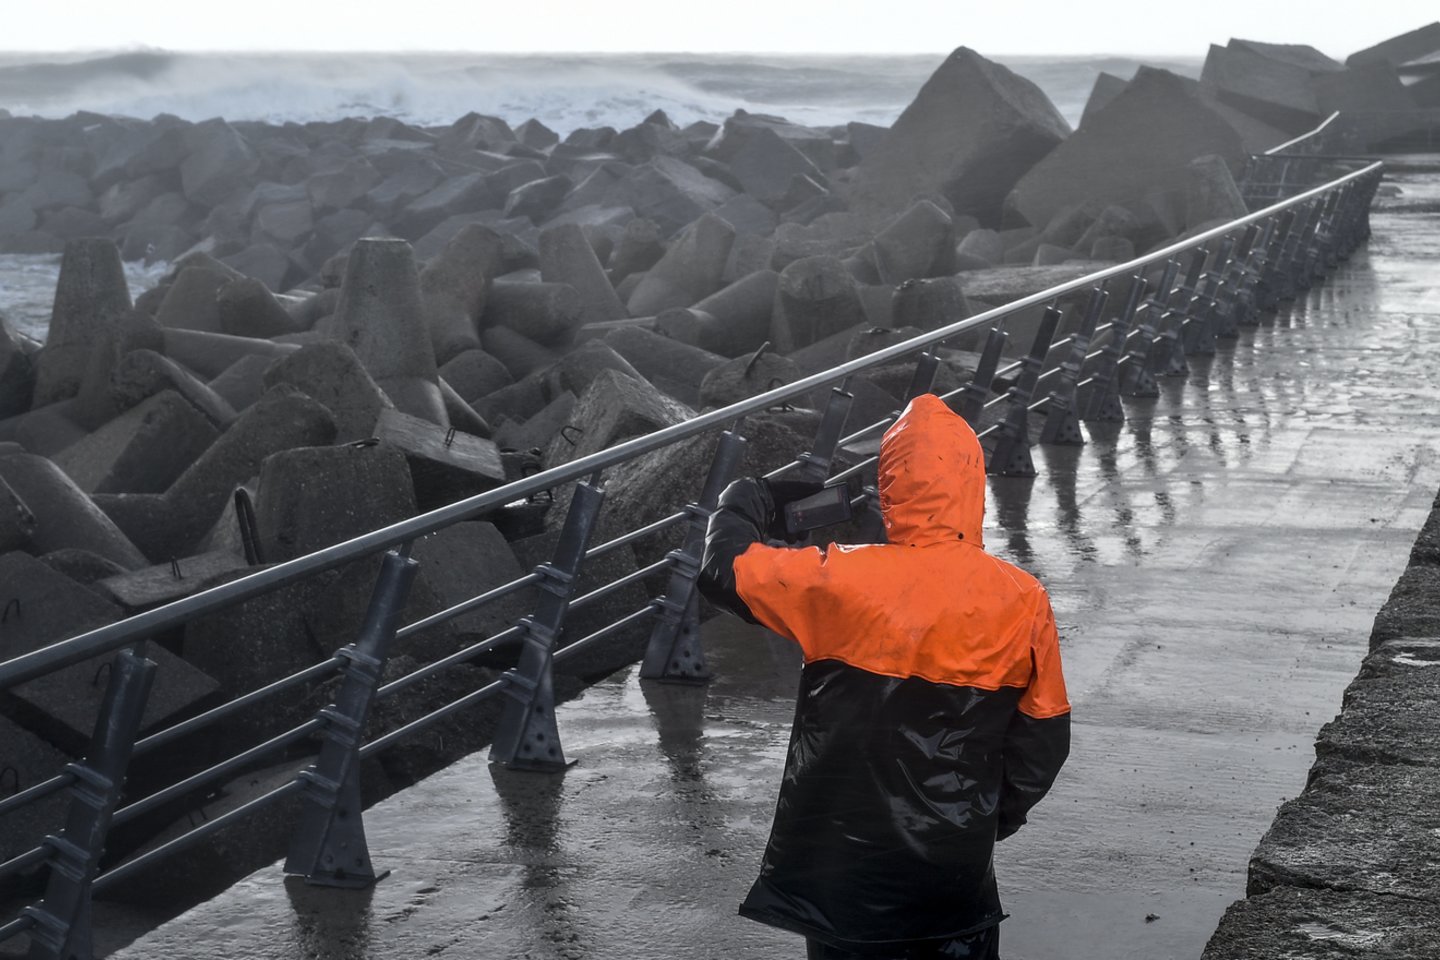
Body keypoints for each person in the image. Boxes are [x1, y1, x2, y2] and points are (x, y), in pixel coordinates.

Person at [697, 393, 1070, 960]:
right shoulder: (1023, 598)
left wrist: (746, 500)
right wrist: (989, 818)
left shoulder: (838, 579)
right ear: (974, 481)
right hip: (952, 873)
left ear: (891, 484)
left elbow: (724, 572)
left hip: (843, 874)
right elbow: (1043, 740)